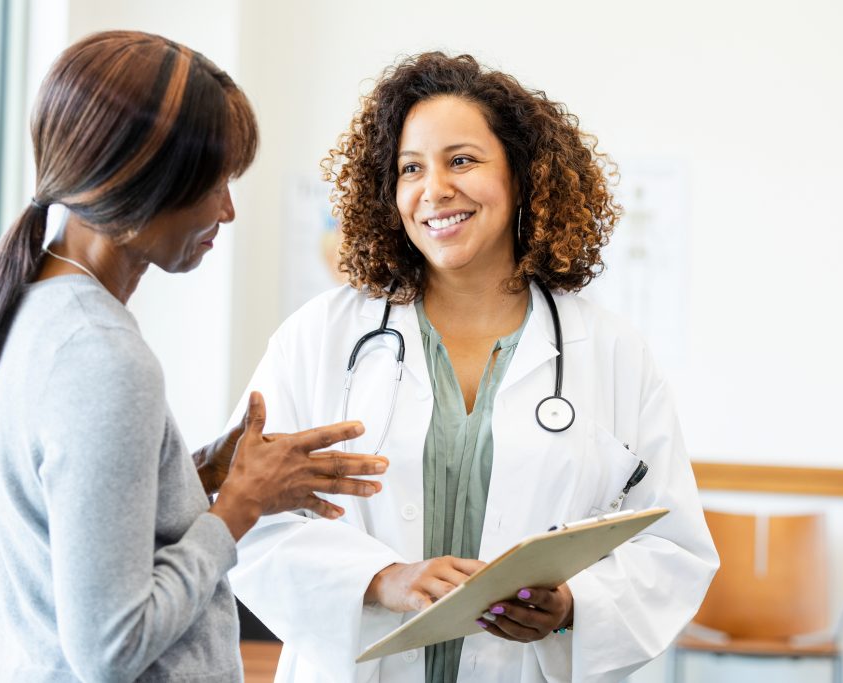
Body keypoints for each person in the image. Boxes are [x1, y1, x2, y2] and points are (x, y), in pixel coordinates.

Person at [228, 52, 718, 682]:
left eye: (461, 160)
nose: (435, 189)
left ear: (523, 176)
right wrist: (381, 580)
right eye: (411, 168)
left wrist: (572, 607)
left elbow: (670, 546)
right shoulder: (319, 337)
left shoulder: (612, 351)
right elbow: (247, 517)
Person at [0, 31, 390, 682]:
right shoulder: (103, 358)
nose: (230, 211)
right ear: (144, 182)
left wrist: (200, 473)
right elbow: (113, 645)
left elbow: (89, 526)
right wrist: (238, 507)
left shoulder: (35, 309)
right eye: (217, 184)